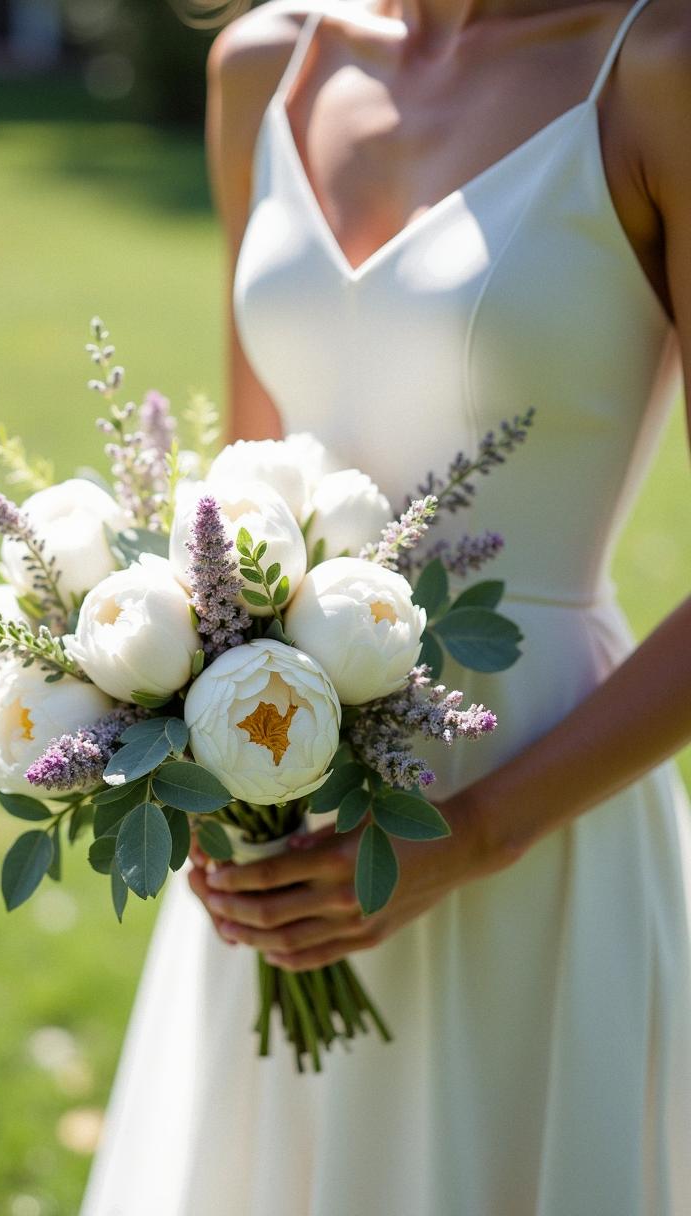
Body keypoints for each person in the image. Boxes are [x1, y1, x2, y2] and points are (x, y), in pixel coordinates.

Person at [79, 1, 691, 1212]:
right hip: (279, 799)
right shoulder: (265, 65)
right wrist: (197, 760)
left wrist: (470, 836)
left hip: (537, 800)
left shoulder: (655, 69)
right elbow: (245, 482)